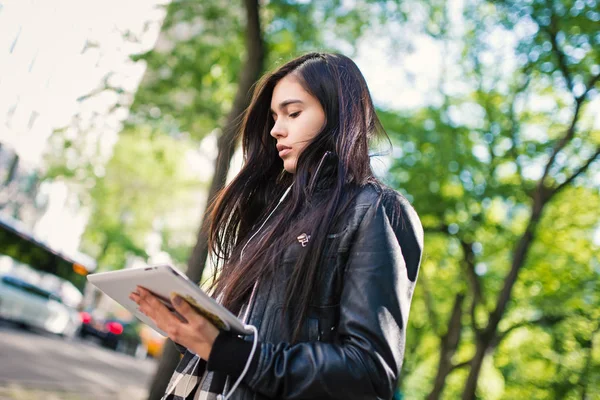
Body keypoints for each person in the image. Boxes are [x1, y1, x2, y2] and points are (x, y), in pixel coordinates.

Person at [130, 52, 423, 400]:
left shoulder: (376, 210)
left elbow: (368, 370)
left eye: (293, 113)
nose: (275, 129)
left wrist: (234, 353)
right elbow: (250, 339)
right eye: (273, 116)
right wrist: (191, 331)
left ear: (338, 114)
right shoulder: (274, 213)